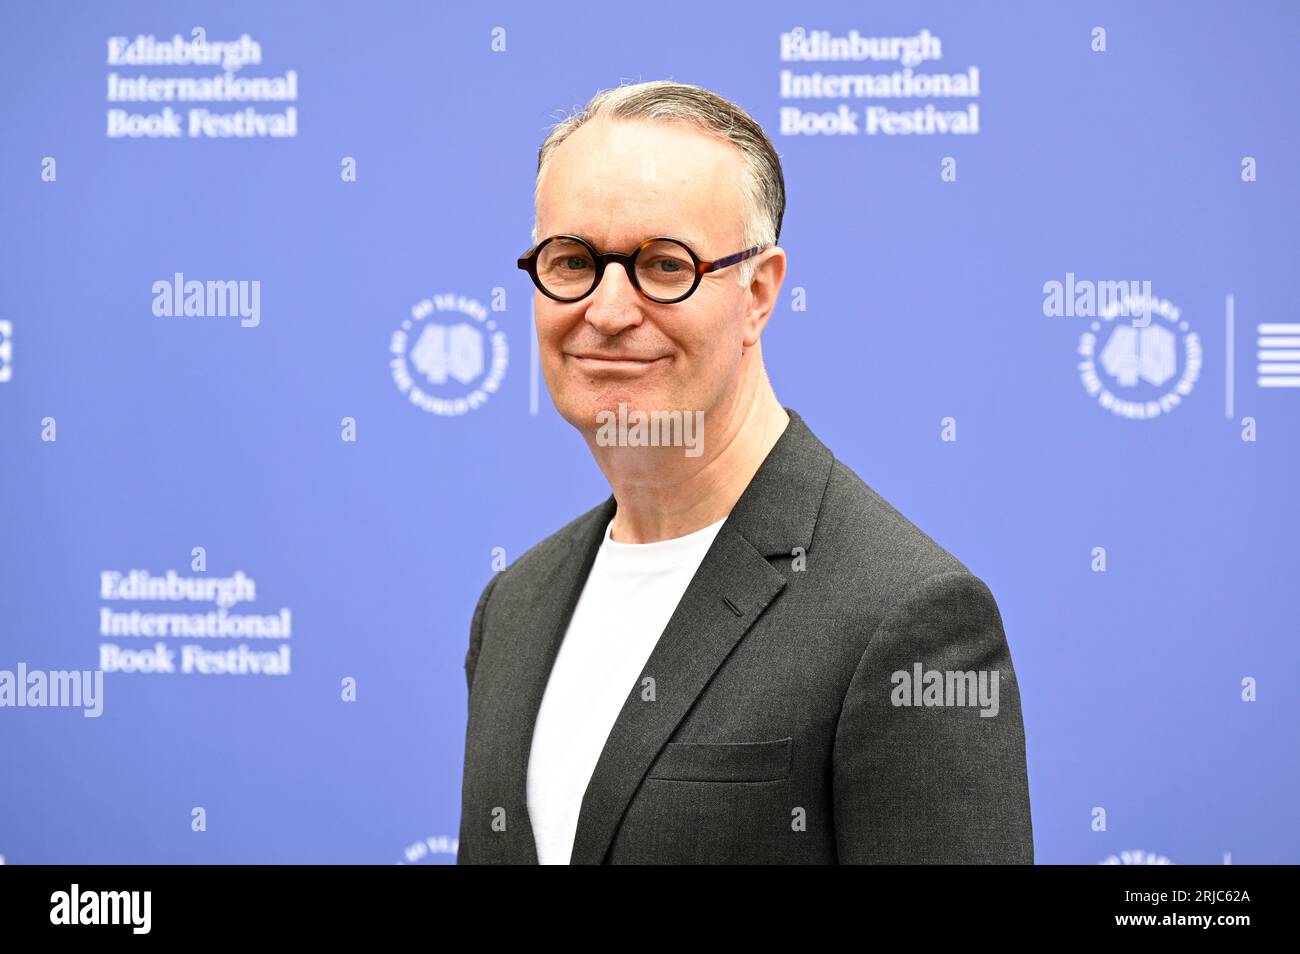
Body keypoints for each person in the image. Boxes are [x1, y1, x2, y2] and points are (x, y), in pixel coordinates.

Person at [457, 80, 1032, 864]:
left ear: (758, 292)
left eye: (665, 266)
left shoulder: (908, 619)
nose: (609, 309)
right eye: (572, 260)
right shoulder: (514, 607)